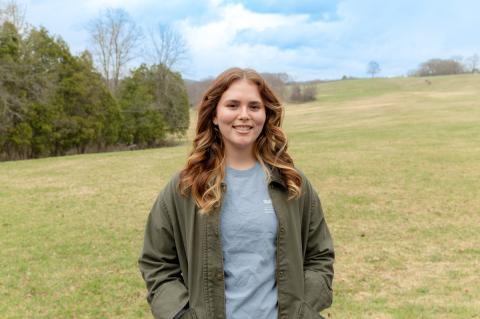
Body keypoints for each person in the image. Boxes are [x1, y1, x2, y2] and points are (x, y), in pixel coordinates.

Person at [138, 67, 334, 319]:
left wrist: (301, 309)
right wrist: (182, 315)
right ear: (215, 116)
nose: (244, 115)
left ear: (266, 115)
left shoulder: (292, 183)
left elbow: (320, 256)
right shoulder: (186, 187)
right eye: (232, 105)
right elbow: (156, 263)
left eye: (254, 107)